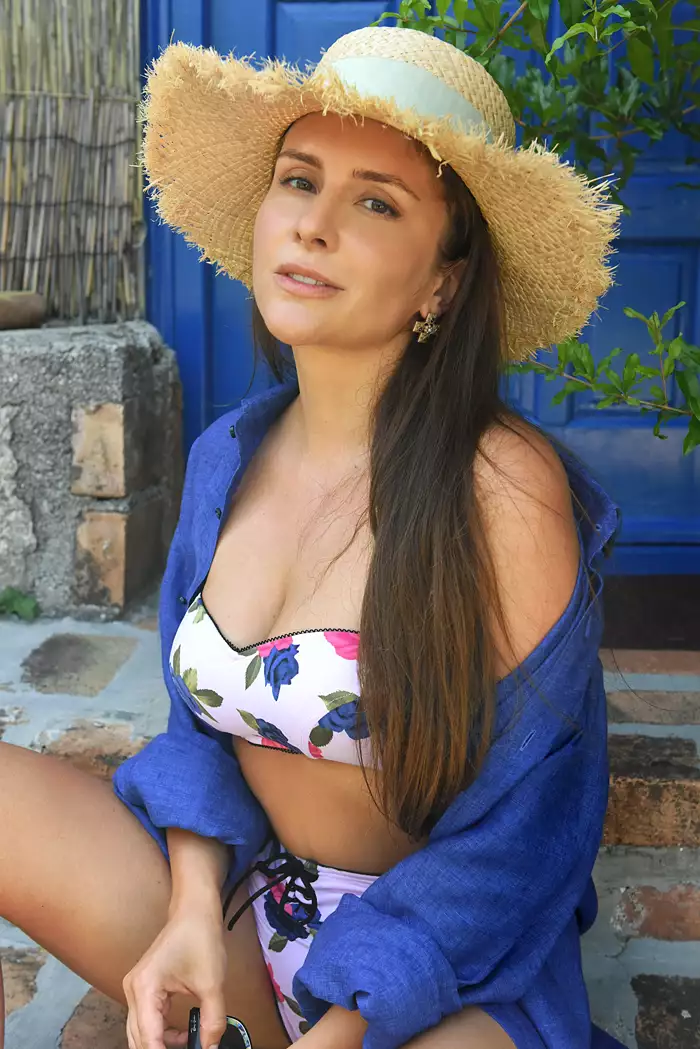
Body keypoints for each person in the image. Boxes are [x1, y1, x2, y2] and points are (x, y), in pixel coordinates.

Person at [0, 24, 626, 1049]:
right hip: (248, 909)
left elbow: (527, 840)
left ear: (444, 281)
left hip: (445, 970)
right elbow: (197, 736)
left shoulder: (504, 488)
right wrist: (191, 908)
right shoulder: (226, 457)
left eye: (377, 202)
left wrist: (344, 1026)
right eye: (299, 180)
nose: (314, 224)